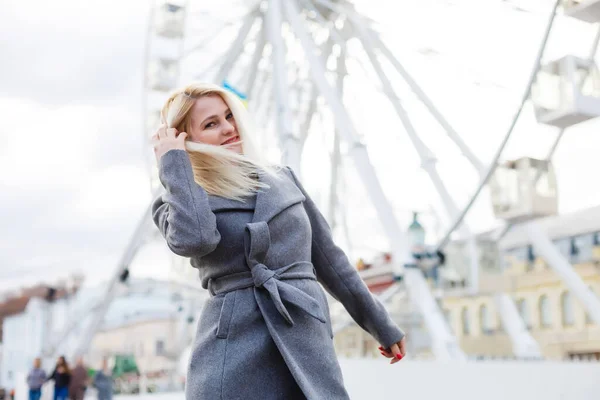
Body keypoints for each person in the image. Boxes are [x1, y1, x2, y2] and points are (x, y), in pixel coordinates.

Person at [151, 82, 406, 400]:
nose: (229, 128)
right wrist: (175, 164)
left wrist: (379, 323)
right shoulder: (176, 200)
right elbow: (198, 240)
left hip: (305, 335)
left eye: (230, 116)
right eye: (211, 124)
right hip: (233, 351)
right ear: (185, 139)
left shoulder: (283, 179)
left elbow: (330, 261)